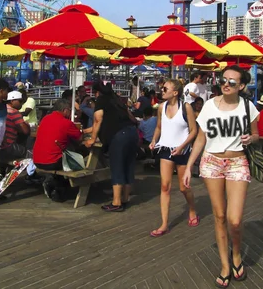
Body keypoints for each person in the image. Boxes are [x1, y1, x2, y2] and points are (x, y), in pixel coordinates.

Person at [183, 65, 259, 288]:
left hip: (237, 162)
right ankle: (225, 265)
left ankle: (237, 254)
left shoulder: (247, 106)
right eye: (223, 80)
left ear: (242, 86)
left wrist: (251, 139)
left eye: (232, 82)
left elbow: (257, 133)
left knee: (234, 220)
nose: (226, 84)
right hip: (211, 162)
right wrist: (189, 166)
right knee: (219, 216)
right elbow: (200, 139)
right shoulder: (208, 106)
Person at [149, 78, 199, 237]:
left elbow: (193, 131)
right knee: (165, 187)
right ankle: (164, 224)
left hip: (182, 151)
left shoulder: (186, 108)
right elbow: (159, 127)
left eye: (165, 89)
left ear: (175, 92)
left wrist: (182, 146)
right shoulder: (161, 107)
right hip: (165, 149)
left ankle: (192, 209)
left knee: (184, 187)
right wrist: (154, 140)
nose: (162, 91)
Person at [89, 81, 139, 212]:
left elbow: (98, 119)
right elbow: (130, 117)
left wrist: (93, 139)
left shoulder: (101, 100)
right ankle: (125, 198)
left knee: (117, 166)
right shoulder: (116, 99)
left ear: (97, 92)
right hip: (132, 132)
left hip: (118, 136)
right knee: (128, 165)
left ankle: (116, 202)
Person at [33, 98, 85, 201]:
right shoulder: (66, 123)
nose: (70, 112)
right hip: (53, 161)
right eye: (70, 110)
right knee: (80, 156)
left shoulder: (45, 119)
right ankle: (60, 186)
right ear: (65, 110)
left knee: (64, 153)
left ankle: (53, 182)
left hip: (37, 160)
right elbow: (80, 138)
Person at [0, 90, 30, 178]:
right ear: (12, 101)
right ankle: (32, 175)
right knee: (30, 154)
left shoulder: (1, 109)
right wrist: (26, 125)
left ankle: (1, 171)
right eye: (20, 101)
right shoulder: (14, 112)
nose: (22, 104)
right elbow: (26, 131)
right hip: (8, 147)